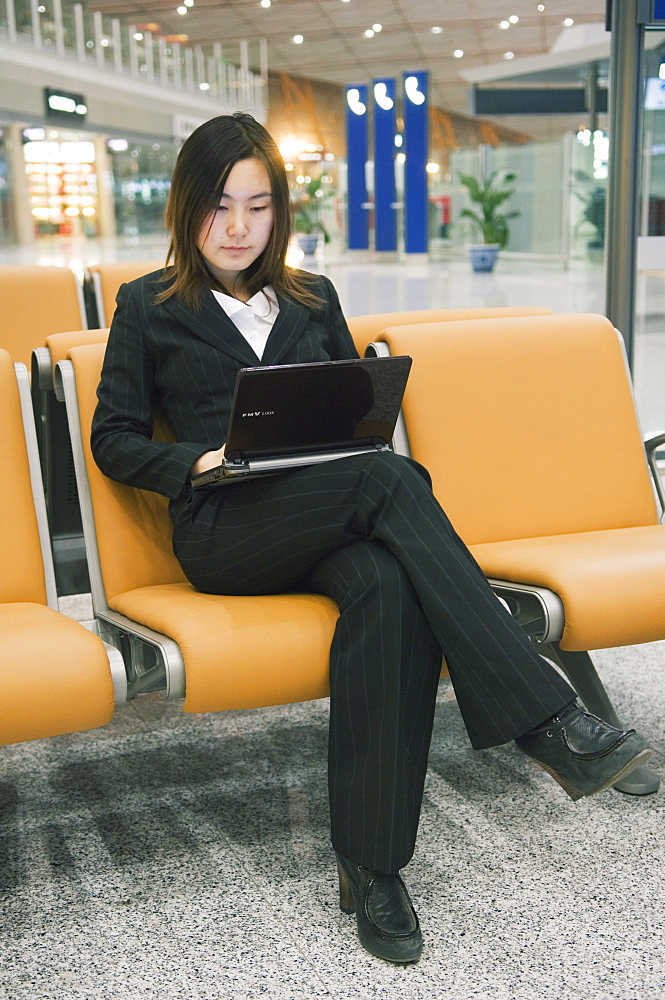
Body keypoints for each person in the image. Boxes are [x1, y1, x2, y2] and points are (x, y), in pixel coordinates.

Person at [91, 113, 652, 965]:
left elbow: (358, 413)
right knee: (391, 476)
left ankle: (372, 865)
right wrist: (196, 461)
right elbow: (114, 438)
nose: (237, 228)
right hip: (229, 531)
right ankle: (545, 719)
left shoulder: (313, 297)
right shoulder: (148, 305)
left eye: (257, 205)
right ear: (185, 207)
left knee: (388, 589)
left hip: (331, 512)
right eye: (217, 207)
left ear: (279, 210)